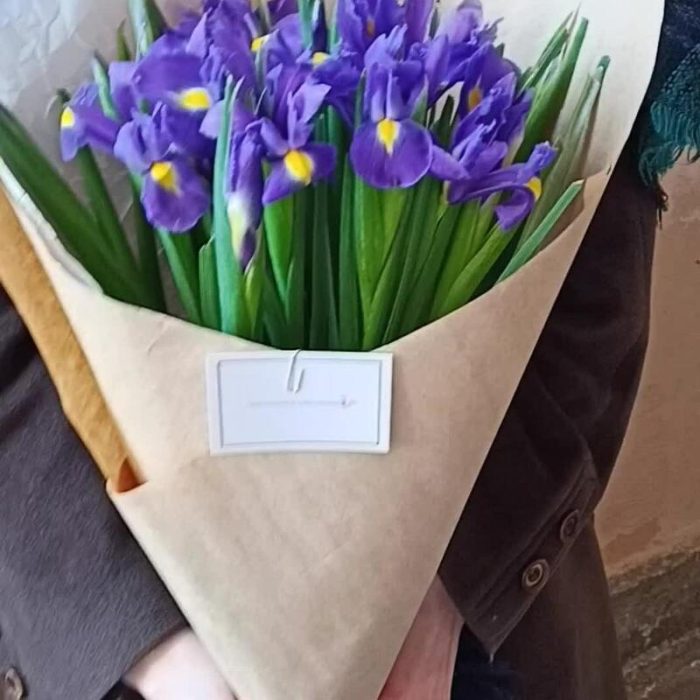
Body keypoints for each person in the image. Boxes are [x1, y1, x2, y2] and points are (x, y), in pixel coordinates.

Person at [0, 4, 694, 695]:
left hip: (475, 598)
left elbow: (595, 205)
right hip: (125, 628)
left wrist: (438, 590)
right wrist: (161, 654)